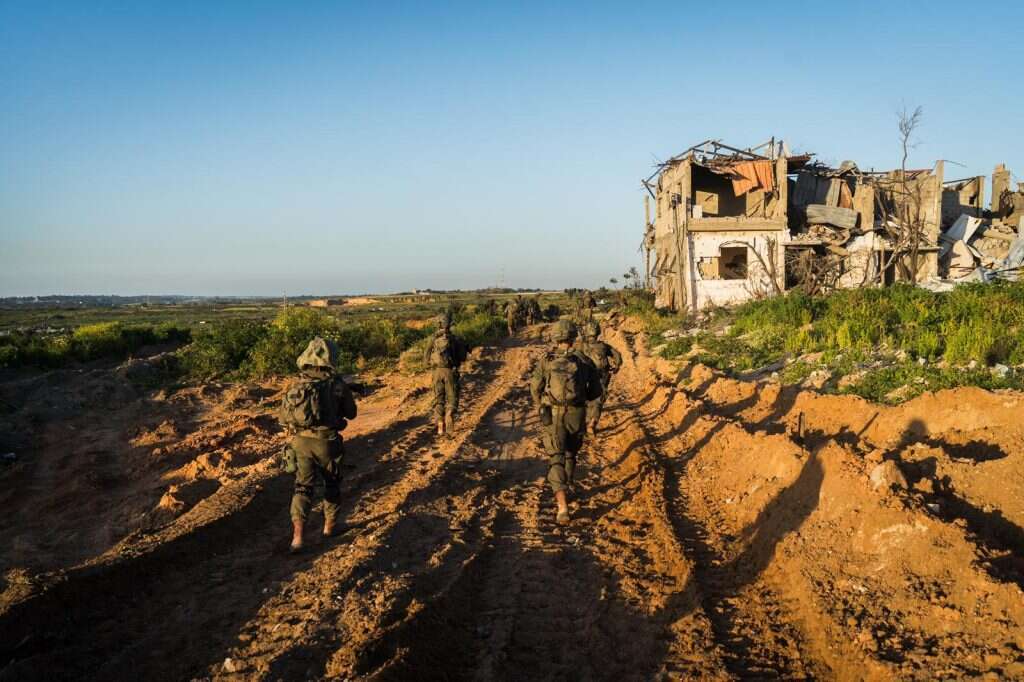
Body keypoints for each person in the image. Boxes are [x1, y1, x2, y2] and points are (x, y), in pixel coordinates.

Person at [278, 337, 357, 553]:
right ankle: (330, 527)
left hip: (300, 442)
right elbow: (352, 414)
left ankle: (297, 538)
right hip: (326, 442)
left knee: (302, 486)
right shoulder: (337, 384)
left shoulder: (296, 384)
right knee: (331, 483)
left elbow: (283, 417)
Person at [530, 319, 602, 524]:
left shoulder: (546, 360)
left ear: (555, 337)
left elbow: (535, 388)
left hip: (552, 414)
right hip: (576, 414)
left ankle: (562, 507)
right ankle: (568, 486)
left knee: (556, 457)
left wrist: (540, 406)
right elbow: (595, 392)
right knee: (571, 453)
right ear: (574, 336)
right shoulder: (584, 361)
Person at [423, 311, 468, 436]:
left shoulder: (433, 339)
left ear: (439, 324)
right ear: (450, 324)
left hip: (436, 372)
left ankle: (439, 424)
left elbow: (426, 358)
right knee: (452, 399)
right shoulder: (455, 339)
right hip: (450, 372)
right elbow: (462, 357)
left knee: (439, 399)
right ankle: (449, 415)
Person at [575, 320, 622, 434]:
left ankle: (582, 423)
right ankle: (592, 423)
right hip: (601, 375)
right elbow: (617, 356)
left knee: (583, 398)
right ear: (598, 332)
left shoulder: (581, 346)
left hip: (584, 375)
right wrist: (616, 367)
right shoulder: (604, 346)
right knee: (598, 399)